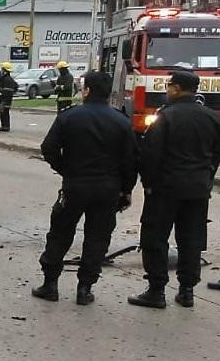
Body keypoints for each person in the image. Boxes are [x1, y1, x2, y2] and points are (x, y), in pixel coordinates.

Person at [32, 71, 137, 305]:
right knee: (98, 237)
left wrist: (66, 170)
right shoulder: (121, 121)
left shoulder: (69, 117)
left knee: (60, 232)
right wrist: (126, 189)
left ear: (87, 90)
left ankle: (50, 284)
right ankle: (85, 288)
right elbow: (131, 161)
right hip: (108, 188)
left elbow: (48, 148)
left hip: (75, 185)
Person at [128, 70, 220, 309]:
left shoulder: (165, 117)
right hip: (198, 189)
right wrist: (206, 179)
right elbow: (216, 154)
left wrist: (148, 184)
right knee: (191, 238)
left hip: (165, 188)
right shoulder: (212, 117)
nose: (167, 90)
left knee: (155, 237)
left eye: (169, 86)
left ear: (178, 89)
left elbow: (151, 155)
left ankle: (156, 290)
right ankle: (187, 290)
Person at [0, 62, 19, 132]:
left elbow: (6, 91)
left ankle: (5, 126)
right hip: (7, 99)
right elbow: (16, 87)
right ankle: (5, 126)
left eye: (2, 70)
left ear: (4, 71)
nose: (1, 71)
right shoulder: (9, 78)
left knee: (4, 113)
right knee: (4, 112)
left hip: (5, 99)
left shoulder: (6, 79)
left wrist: (2, 100)